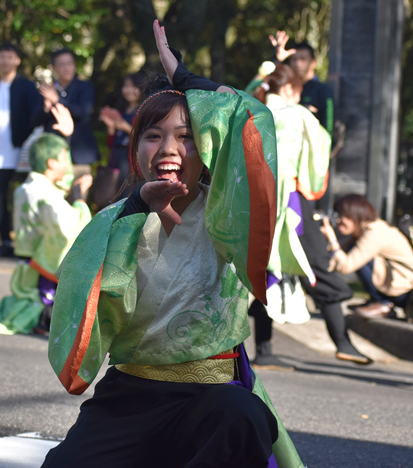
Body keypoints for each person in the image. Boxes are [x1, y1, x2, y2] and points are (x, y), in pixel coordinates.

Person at [42, 20, 304, 468]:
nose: (169, 148)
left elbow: (249, 116)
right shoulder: (112, 220)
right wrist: (136, 208)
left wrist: (186, 81)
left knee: (243, 415)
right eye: (154, 135)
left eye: (186, 137)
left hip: (210, 397)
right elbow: (81, 310)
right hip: (130, 396)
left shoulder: (228, 216)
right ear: (135, 148)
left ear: (206, 148)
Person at [250, 65, 371, 368]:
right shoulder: (298, 114)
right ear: (291, 89)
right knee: (317, 266)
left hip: (258, 201)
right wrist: (310, 117)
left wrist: (271, 64)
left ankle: (264, 351)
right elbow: (320, 150)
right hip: (291, 200)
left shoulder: (255, 112)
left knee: (270, 271)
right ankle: (343, 343)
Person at [0, 104, 92, 335]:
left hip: (28, 262)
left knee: (28, 295)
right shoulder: (44, 194)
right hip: (40, 265)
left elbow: (62, 183)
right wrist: (80, 202)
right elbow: (69, 227)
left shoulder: (29, 187)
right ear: (51, 163)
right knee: (53, 305)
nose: (67, 165)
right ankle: (42, 320)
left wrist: (66, 137)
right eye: (63, 159)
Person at [0, 42, 41, 260]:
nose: (5, 61)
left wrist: (22, 138)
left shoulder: (26, 86)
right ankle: (5, 242)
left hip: (11, 148)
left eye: (9, 57)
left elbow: (35, 114)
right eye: (1, 56)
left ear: (17, 60)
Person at [321, 194, 413, 318]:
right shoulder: (364, 232)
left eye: (342, 215)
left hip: (403, 290)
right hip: (396, 286)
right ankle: (376, 300)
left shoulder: (375, 232)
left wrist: (331, 239)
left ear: (355, 213)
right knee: (354, 251)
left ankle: (383, 303)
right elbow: (336, 262)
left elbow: (346, 266)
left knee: (356, 253)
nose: (338, 220)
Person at [34, 48, 99, 201]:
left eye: (70, 63)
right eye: (61, 64)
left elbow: (83, 112)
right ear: (54, 68)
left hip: (79, 157)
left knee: (77, 200)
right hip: (53, 158)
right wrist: (46, 107)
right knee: (52, 201)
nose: (66, 67)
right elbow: (35, 121)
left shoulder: (85, 87)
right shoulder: (48, 90)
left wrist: (58, 100)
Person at [271, 31, 335, 135]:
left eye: (303, 59)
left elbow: (329, 129)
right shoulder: (283, 88)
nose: (297, 63)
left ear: (313, 62)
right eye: (294, 59)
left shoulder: (323, 91)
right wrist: (276, 60)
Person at [98, 72, 145, 198]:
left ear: (141, 89)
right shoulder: (121, 111)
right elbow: (110, 142)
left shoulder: (143, 111)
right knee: (113, 193)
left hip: (130, 159)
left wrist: (125, 126)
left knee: (126, 194)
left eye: (133, 86)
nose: (128, 90)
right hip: (116, 157)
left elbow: (144, 138)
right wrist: (111, 127)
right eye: (125, 86)